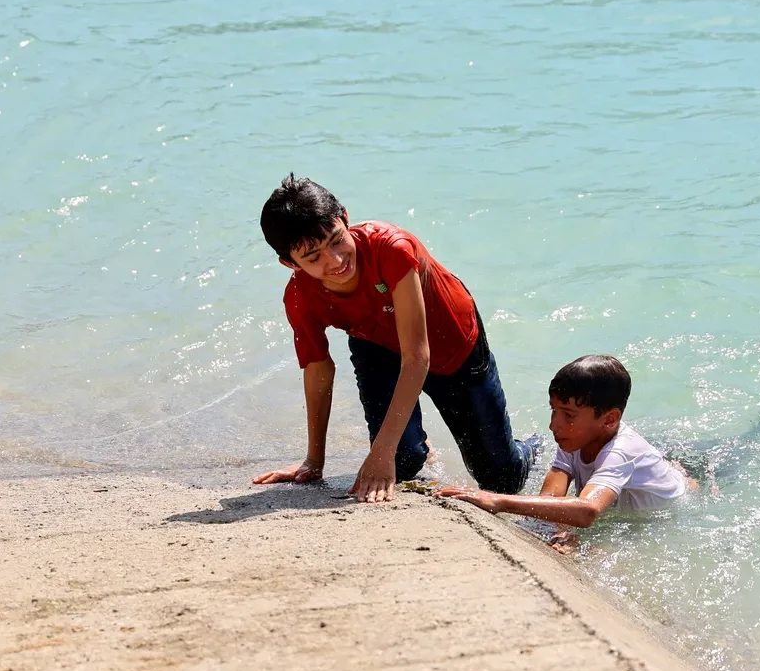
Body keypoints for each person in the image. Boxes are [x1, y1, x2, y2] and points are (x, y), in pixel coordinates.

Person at [252, 174, 539, 502]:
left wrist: (380, 452)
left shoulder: (390, 248)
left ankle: (532, 446)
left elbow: (418, 357)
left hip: (451, 343)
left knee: (501, 480)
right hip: (377, 344)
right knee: (402, 461)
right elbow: (318, 370)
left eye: (336, 240)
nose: (335, 261)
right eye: (313, 257)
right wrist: (314, 462)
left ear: (345, 219)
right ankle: (418, 447)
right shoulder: (300, 297)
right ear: (290, 263)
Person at [435, 355, 693, 531]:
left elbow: (588, 510)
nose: (554, 425)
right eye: (553, 410)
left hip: (675, 502)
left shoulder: (621, 452)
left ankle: (688, 474)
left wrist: (497, 501)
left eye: (568, 414)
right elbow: (550, 498)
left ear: (609, 419)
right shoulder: (575, 435)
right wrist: (561, 530)